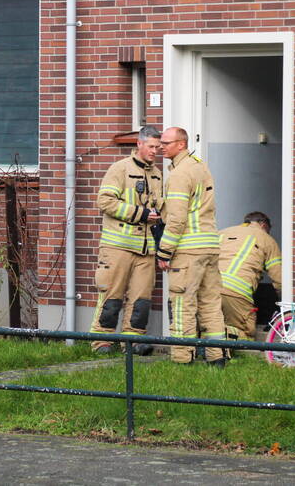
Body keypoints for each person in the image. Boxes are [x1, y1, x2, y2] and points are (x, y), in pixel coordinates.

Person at [155, 127, 227, 366]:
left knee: (182, 303)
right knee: (211, 304)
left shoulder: (179, 174)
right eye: (160, 142)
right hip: (210, 247)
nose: (160, 147)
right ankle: (217, 357)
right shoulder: (200, 166)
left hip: (188, 250)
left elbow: (176, 219)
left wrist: (164, 250)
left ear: (181, 144)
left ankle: (182, 359)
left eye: (166, 143)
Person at [89, 126, 163, 354]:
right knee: (112, 295)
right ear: (139, 144)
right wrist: (139, 214)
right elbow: (105, 202)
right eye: (151, 146)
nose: (154, 151)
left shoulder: (157, 174)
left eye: (158, 147)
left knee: (141, 299)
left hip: (146, 249)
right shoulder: (119, 169)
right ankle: (101, 341)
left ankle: (132, 341)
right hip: (118, 246)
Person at [218, 211, 283, 340]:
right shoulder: (267, 240)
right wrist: (285, 302)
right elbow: (278, 278)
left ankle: (209, 348)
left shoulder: (222, 232)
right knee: (246, 333)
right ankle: (231, 346)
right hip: (236, 293)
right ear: (263, 225)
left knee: (210, 324)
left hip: (207, 288)